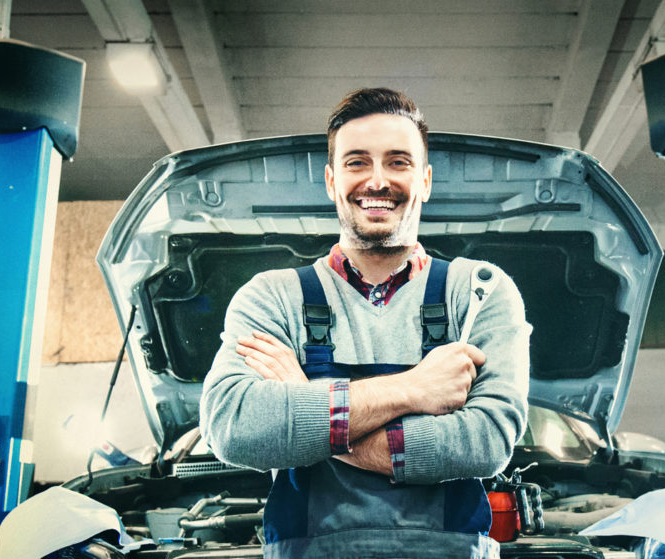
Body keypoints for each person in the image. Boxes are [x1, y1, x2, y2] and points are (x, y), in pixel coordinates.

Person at [200, 87, 531, 559]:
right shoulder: (273, 295)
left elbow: (486, 442)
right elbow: (234, 427)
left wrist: (307, 406)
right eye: (357, 162)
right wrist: (413, 389)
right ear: (333, 181)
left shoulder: (478, 292)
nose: (377, 180)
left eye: (398, 162)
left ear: (426, 180)